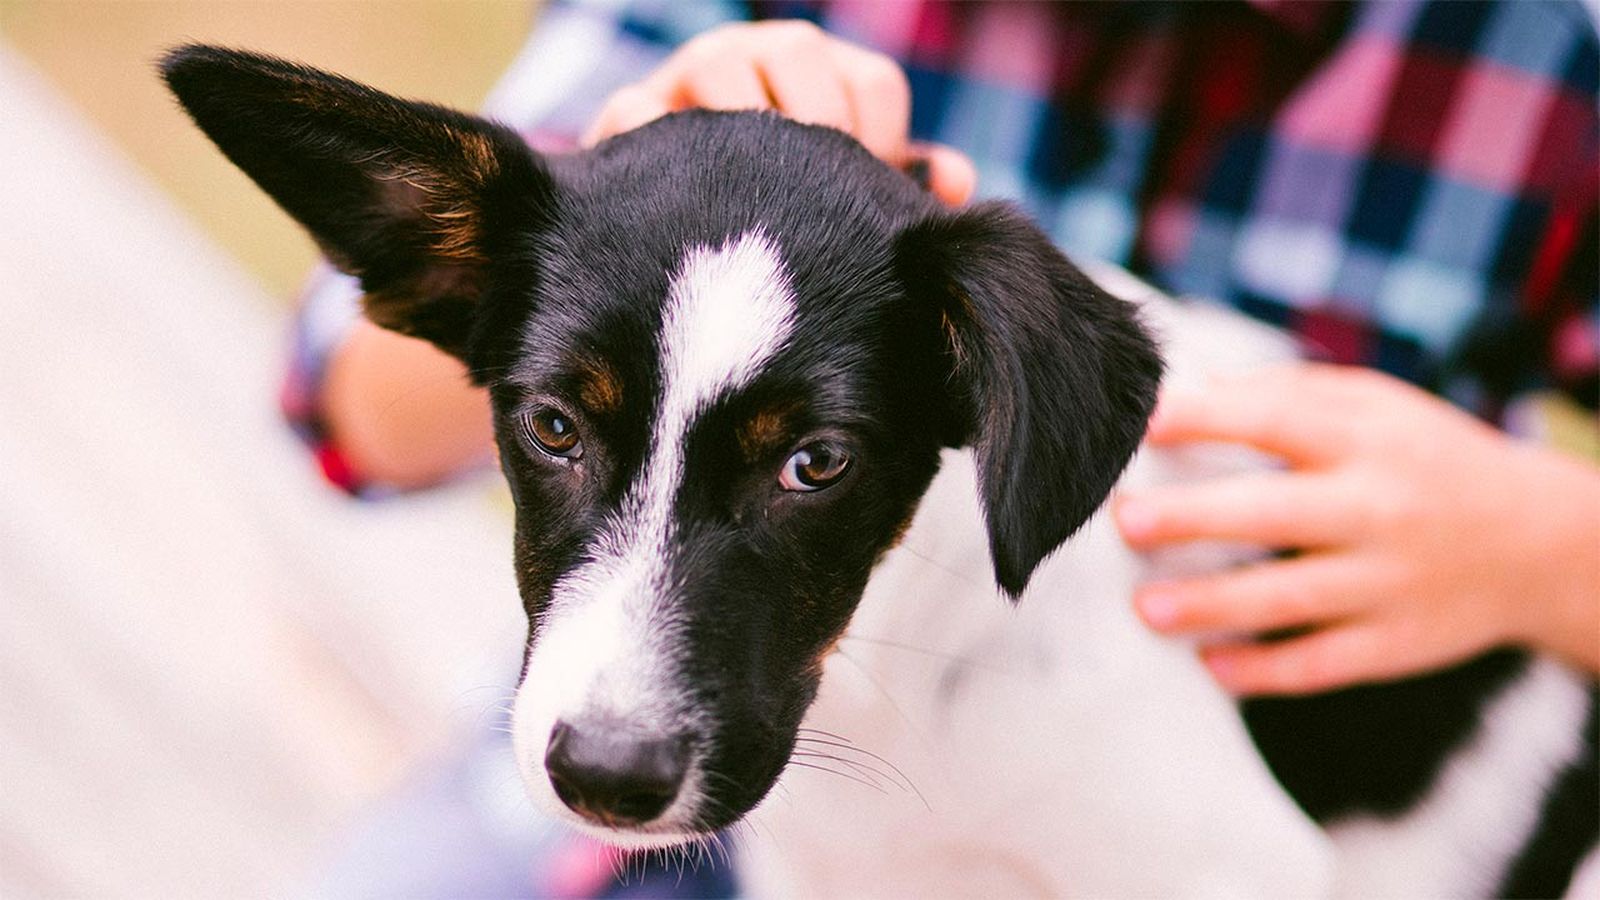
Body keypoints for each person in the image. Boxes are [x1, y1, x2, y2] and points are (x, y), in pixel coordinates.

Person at [286, 0, 1598, 698]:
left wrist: (1551, 547)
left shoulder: (1549, 64)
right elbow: (350, 410)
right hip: (666, 781)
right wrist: (588, 212)